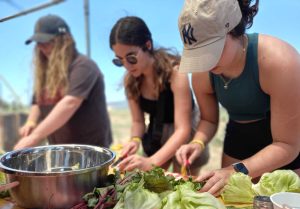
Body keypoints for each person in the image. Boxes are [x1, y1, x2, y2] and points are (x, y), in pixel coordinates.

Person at [176, 0, 300, 195]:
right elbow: (208, 119)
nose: (206, 63)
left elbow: (288, 144)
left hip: (283, 149)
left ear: (233, 28)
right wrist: (197, 143)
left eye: (211, 49)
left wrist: (237, 170)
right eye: (198, 53)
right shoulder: (202, 74)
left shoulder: (280, 60)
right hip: (238, 136)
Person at [109, 16, 209, 173]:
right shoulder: (131, 81)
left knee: (181, 182)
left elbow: (182, 129)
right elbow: (137, 122)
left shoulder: (175, 72)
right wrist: (134, 140)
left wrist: (152, 161)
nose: (127, 66)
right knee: (150, 182)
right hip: (157, 131)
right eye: (119, 61)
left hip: (185, 134)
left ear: (147, 45)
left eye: (131, 57)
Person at [14, 14, 112, 149]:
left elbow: (70, 103)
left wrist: (34, 137)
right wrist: (31, 121)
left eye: (46, 42)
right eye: (38, 43)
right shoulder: (47, 71)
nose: (41, 48)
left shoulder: (83, 66)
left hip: (90, 152)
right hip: (61, 151)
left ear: (64, 41)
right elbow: (38, 101)